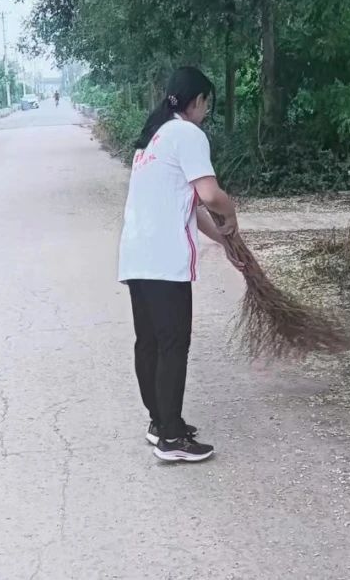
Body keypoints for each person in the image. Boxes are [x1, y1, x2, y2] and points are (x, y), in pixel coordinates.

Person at [118, 66, 241, 462]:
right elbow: (210, 194)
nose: (206, 112)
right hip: (165, 259)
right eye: (207, 103)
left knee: (150, 342)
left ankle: (160, 422)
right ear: (197, 100)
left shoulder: (152, 139)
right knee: (173, 344)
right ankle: (172, 439)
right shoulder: (188, 134)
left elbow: (185, 203)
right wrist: (231, 214)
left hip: (137, 256)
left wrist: (221, 238)